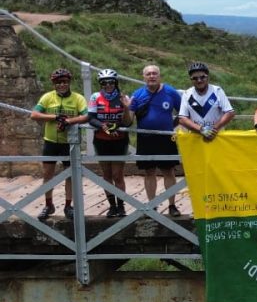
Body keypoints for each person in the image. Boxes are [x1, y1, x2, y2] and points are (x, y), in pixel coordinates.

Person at [31, 68, 89, 220]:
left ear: (69, 82)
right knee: (47, 174)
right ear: (54, 84)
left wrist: (69, 121)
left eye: (64, 82)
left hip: (69, 143)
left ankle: (68, 206)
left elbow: (86, 116)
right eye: (58, 83)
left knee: (70, 175)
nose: (62, 85)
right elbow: (34, 114)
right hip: (50, 142)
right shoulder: (47, 97)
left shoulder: (78, 98)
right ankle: (48, 205)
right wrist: (55, 117)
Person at [130, 64, 183, 217]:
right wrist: (127, 108)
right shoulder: (138, 94)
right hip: (145, 138)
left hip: (166, 137)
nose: (152, 76)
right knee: (149, 171)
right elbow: (128, 120)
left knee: (169, 171)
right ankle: (152, 205)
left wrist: (172, 125)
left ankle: (172, 205)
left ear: (159, 76)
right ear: (144, 77)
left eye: (154, 73)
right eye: (148, 74)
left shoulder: (170, 92)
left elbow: (183, 111)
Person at [88, 68, 132, 218]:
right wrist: (103, 126)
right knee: (106, 174)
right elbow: (91, 118)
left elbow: (128, 122)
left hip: (120, 140)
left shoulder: (123, 97)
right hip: (102, 140)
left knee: (117, 175)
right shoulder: (95, 97)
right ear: (100, 84)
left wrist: (126, 108)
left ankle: (121, 206)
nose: (108, 85)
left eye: (111, 82)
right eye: (104, 83)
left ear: (115, 82)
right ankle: (112, 206)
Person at [178, 62, 235, 140]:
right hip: (195, 139)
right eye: (195, 78)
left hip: (217, 137)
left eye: (202, 77)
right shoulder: (187, 94)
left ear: (208, 77)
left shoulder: (217, 91)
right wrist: (201, 130)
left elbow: (230, 113)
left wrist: (213, 130)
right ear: (191, 79)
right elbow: (182, 119)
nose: (199, 80)